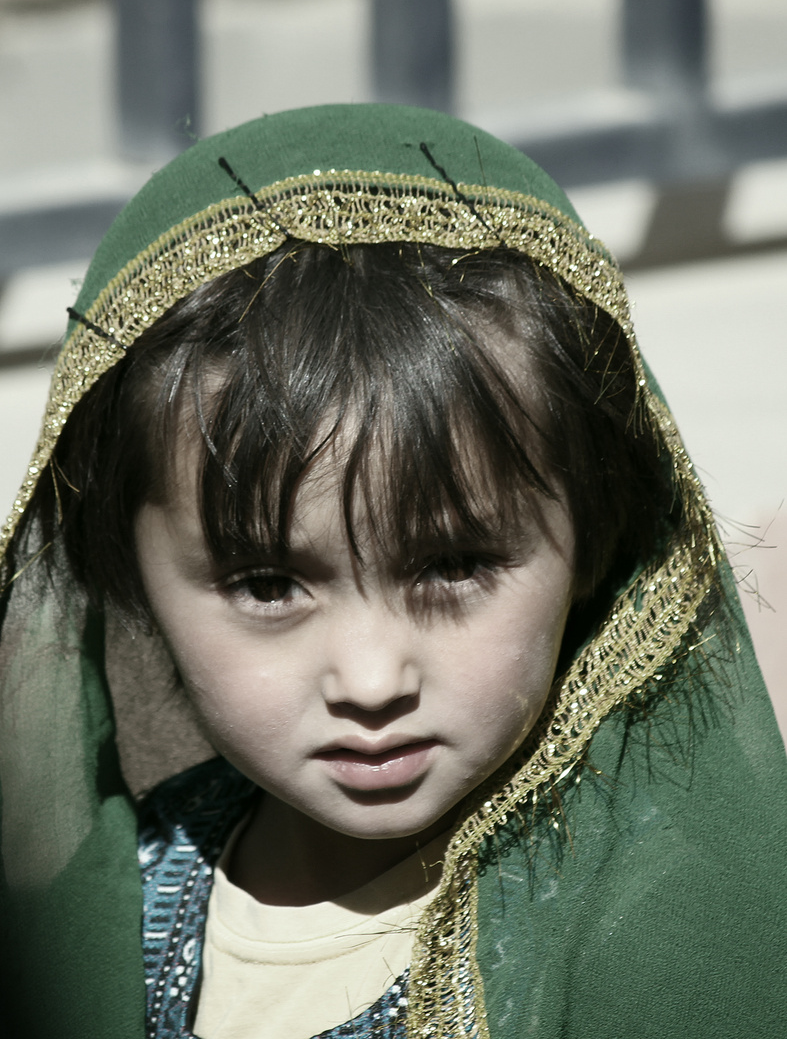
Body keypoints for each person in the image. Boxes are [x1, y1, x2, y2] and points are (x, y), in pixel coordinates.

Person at [0, 104, 784, 1039]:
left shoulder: (659, 923)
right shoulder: (103, 901)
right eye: (266, 585)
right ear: (128, 580)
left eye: (453, 566)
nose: (372, 682)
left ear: (596, 540)